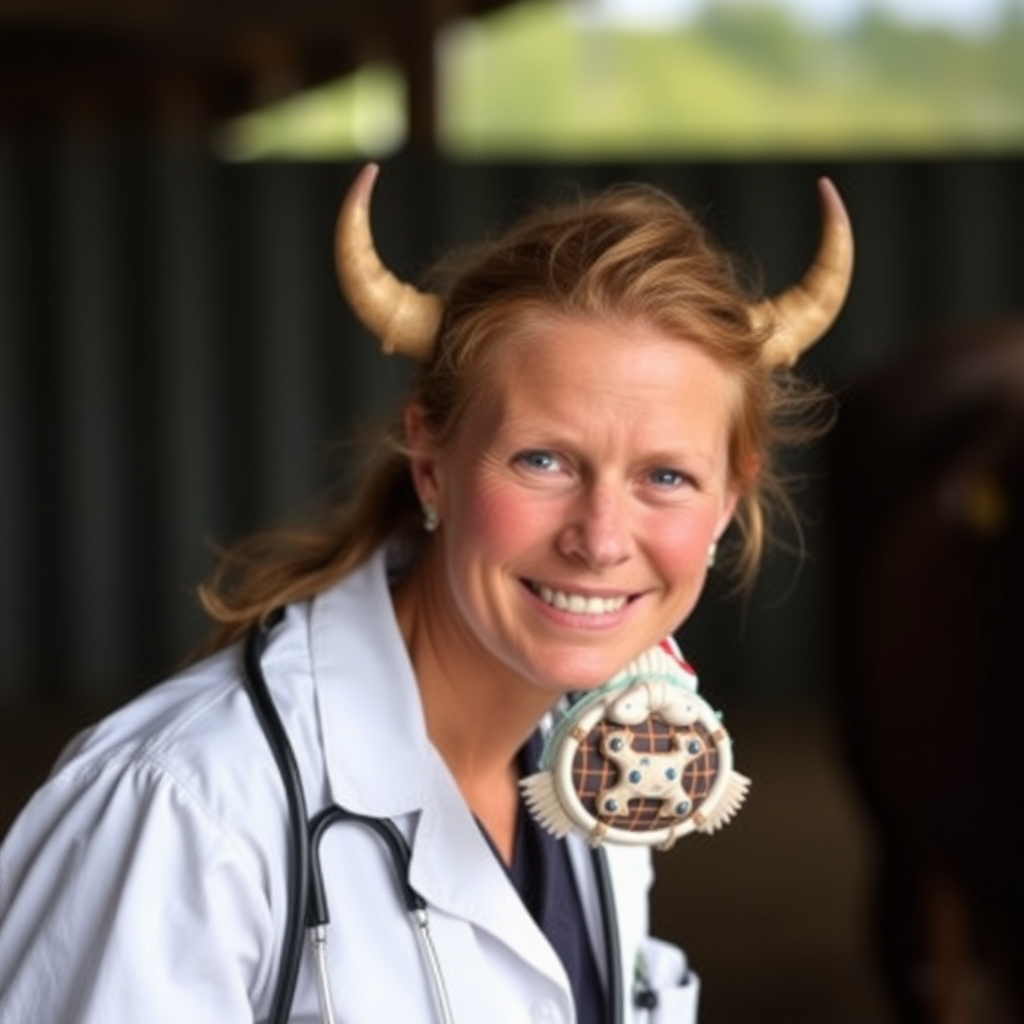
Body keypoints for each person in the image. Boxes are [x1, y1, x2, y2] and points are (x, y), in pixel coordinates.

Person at [0, 162, 853, 1024]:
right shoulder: (184, 809)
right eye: (543, 460)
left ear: (728, 503)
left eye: (666, 475)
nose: (599, 539)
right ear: (430, 459)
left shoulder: (607, 768)